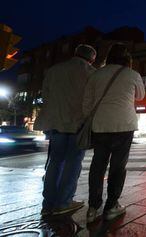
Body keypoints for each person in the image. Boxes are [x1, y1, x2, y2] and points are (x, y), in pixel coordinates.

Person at [83, 43, 145, 223]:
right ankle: (112, 206)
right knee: (118, 166)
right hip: (124, 125)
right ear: (127, 59)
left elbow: (87, 102)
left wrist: (91, 118)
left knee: (98, 165)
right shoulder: (132, 74)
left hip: (100, 125)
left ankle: (93, 207)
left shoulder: (96, 74)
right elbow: (140, 95)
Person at [34, 44, 97, 215]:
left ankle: (48, 203)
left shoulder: (54, 70)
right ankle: (63, 201)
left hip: (55, 124)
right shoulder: (91, 73)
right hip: (77, 124)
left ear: (75, 54)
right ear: (92, 59)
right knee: (73, 163)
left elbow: (45, 96)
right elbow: (92, 101)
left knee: (55, 162)